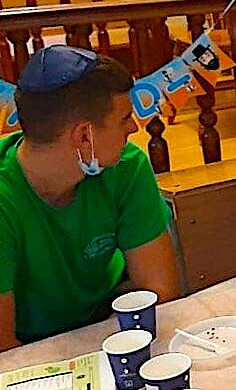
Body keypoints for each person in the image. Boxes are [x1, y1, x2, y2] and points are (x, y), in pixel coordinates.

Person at [0, 46, 181, 351]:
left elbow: (159, 291)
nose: (134, 127)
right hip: (30, 348)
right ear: (84, 136)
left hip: (113, 321)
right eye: (125, 117)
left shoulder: (127, 166)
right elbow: (4, 349)